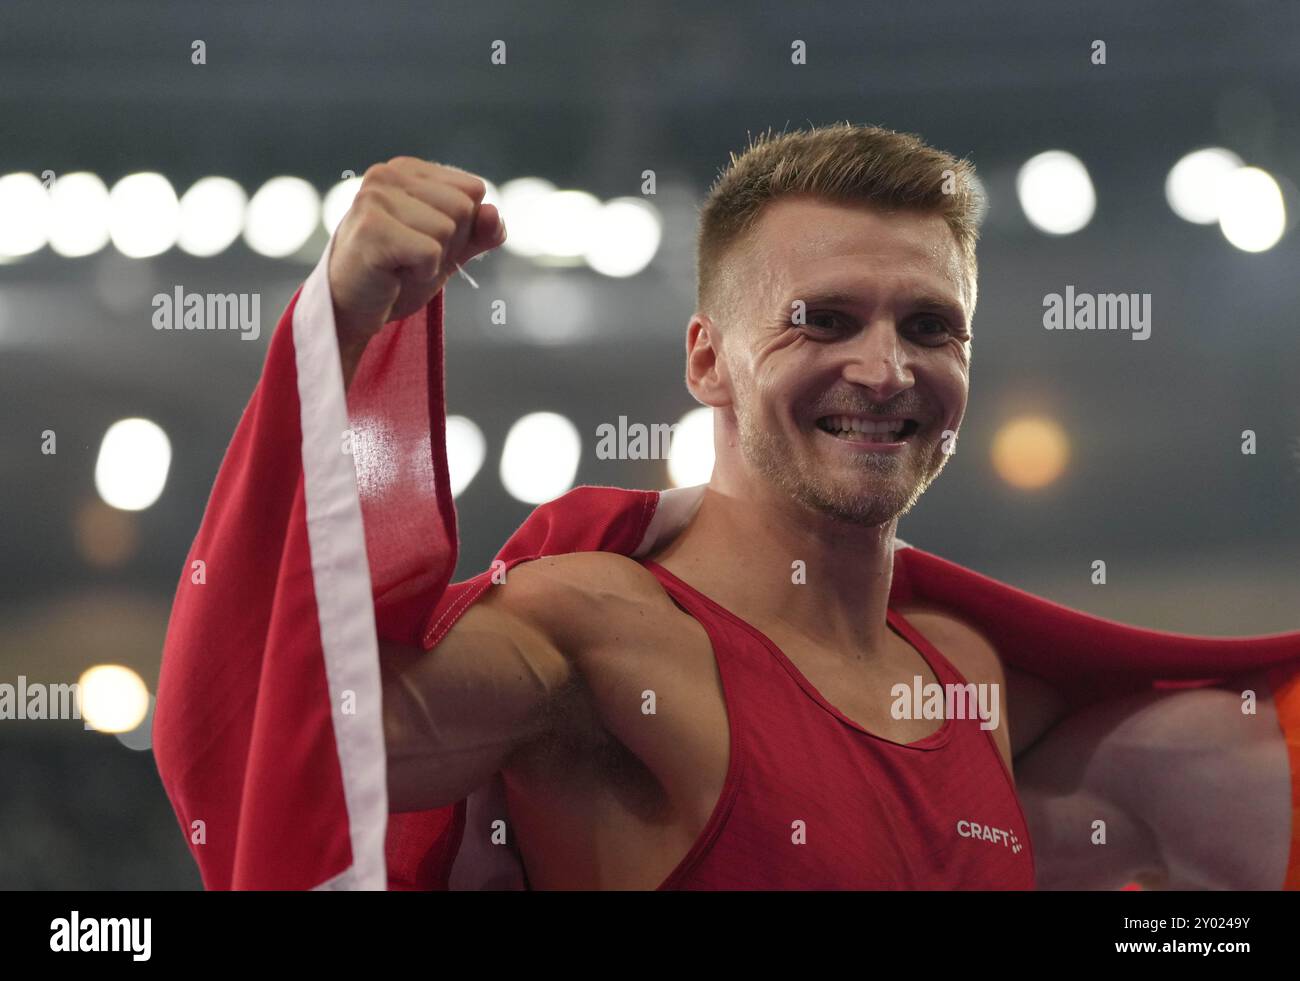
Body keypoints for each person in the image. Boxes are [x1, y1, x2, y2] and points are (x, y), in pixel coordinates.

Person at [154, 123, 1300, 890]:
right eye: (825, 319)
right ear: (707, 362)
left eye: (929, 326)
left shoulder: (972, 675)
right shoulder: (594, 631)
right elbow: (283, 731)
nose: (887, 370)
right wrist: (338, 330)